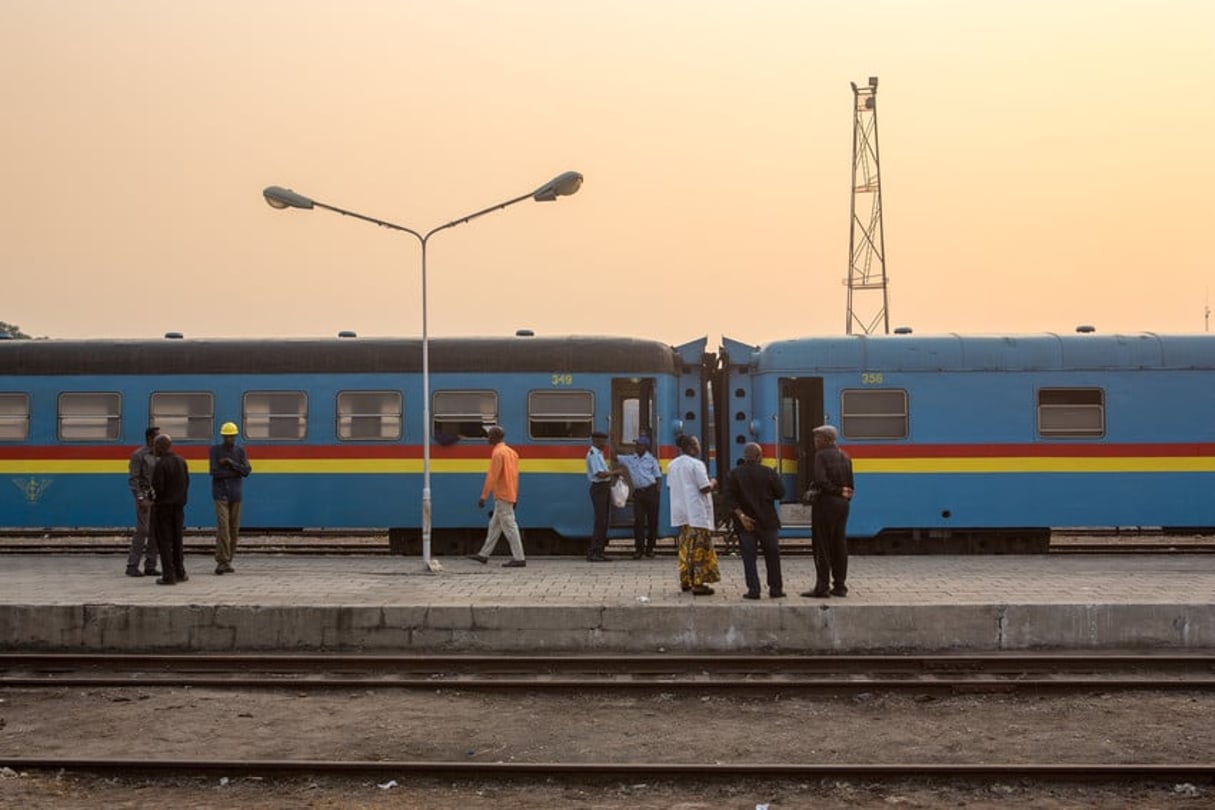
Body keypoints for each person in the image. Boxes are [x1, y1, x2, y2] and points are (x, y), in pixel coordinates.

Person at [723, 442, 786, 599]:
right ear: (759, 456)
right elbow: (781, 493)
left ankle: (754, 590)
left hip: (745, 523)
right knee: (772, 555)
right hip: (768, 521)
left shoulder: (734, 474)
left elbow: (729, 499)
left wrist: (741, 516)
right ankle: (775, 589)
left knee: (749, 558)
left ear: (745, 457)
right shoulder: (769, 472)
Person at [802, 424, 855, 598]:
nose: (815, 442)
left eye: (817, 439)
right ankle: (840, 586)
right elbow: (850, 485)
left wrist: (835, 491)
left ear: (826, 440)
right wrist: (842, 493)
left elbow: (820, 480)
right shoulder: (845, 455)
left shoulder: (821, 455)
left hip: (825, 503)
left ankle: (822, 587)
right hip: (843, 505)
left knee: (822, 545)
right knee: (839, 544)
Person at [666, 434, 720, 595]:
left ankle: (685, 581)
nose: (699, 447)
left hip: (682, 514)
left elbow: (671, 486)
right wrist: (713, 483)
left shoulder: (672, 465)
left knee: (685, 548)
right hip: (697, 514)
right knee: (699, 550)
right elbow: (704, 488)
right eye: (696, 445)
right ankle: (698, 584)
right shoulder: (697, 464)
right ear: (690, 448)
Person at [466, 426, 526, 567]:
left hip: (502, 495)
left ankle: (519, 558)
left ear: (495, 437)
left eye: (489, 436)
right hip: (508, 493)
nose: (488, 438)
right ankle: (483, 555)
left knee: (510, 527)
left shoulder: (498, 453)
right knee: (494, 526)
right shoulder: (512, 453)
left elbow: (492, 476)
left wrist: (484, 496)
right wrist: (515, 495)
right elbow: (515, 477)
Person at [209, 421, 252, 575]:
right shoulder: (215, 451)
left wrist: (230, 463)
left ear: (235, 436)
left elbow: (247, 471)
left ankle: (228, 560)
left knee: (234, 529)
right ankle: (222, 561)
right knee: (223, 529)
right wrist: (236, 472)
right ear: (223, 436)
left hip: (235, 494)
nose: (229, 439)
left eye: (231, 436)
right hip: (220, 494)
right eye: (227, 436)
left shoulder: (240, 451)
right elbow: (214, 472)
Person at [149, 433, 189, 585]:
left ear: (160, 447)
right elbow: (187, 483)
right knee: (177, 540)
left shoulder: (161, 464)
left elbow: (159, 487)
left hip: (163, 508)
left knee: (164, 542)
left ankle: (168, 576)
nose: (153, 448)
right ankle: (180, 571)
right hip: (179, 507)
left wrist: (153, 498)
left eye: (155, 445)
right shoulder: (181, 461)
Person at [125, 426, 161, 578]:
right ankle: (132, 565)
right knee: (143, 530)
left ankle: (150, 565)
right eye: (157, 436)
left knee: (155, 531)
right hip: (145, 497)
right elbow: (134, 479)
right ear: (150, 438)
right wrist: (140, 498)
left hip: (158, 497)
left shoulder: (160, 455)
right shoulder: (139, 455)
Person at [617, 435, 661, 559]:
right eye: (636, 445)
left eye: (640, 445)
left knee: (653, 521)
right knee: (638, 522)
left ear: (645, 447)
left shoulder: (652, 460)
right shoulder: (631, 459)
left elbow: (658, 477)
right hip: (639, 493)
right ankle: (639, 549)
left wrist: (656, 492)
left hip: (651, 491)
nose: (637, 447)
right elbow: (616, 457)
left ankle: (650, 548)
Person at [584, 430, 617, 562]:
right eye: (603, 440)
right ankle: (594, 552)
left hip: (603, 488)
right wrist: (615, 472)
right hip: (599, 489)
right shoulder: (593, 454)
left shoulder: (599, 454)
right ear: (596, 441)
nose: (605, 443)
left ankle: (599, 551)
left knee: (603, 521)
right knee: (600, 521)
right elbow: (600, 474)